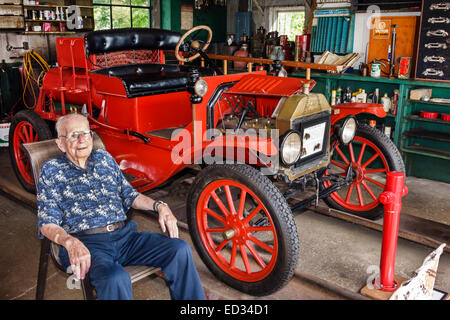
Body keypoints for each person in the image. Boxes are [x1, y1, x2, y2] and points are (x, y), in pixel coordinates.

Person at [36, 113, 206, 300]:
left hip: (125, 237)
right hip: (87, 245)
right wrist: (69, 242)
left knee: (178, 250)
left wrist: (159, 206)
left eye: (85, 133)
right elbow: (47, 223)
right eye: (73, 135)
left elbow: (129, 194)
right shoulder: (51, 170)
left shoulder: (103, 158)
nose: (82, 139)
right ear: (60, 143)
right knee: (115, 278)